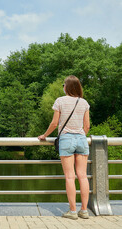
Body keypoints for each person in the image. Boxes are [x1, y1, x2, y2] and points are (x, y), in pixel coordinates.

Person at [38, 75, 90, 220]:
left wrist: (44, 135)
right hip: (81, 139)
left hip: (66, 139)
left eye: (63, 85)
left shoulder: (60, 101)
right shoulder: (84, 102)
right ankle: (84, 211)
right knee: (83, 176)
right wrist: (79, 135)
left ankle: (72, 212)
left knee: (69, 176)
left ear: (66, 87)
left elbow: (54, 123)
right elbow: (87, 126)